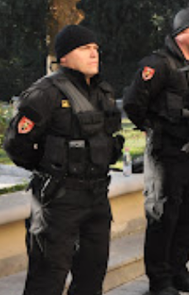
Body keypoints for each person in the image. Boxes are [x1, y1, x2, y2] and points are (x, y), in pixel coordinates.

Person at [3, 25, 123, 295]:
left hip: (97, 197)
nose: (94, 54)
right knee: (47, 279)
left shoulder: (103, 91)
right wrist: (49, 167)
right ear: (65, 57)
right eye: (85, 48)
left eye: (95, 48)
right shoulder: (45, 93)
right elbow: (15, 144)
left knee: (92, 275)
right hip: (58, 201)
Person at [123, 6, 189, 295]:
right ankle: (160, 280)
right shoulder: (158, 64)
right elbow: (133, 103)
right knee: (164, 217)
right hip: (167, 153)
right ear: (180, 33)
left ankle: (179, 271)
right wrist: (153, 128)